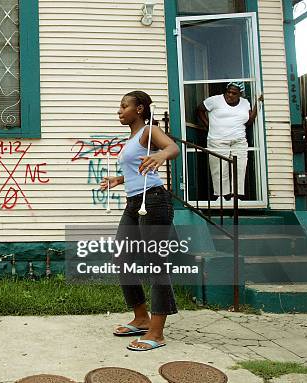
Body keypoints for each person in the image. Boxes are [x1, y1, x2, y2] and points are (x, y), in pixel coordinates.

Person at [100, 90, 179, 351]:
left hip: (154, 201)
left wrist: (161, 155)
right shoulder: (132, 138)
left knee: (156, 264)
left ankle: (156, 333)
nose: (119, 111)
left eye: (124, 106)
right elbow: (137, 168)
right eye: (119, 107)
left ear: (140, 109)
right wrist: (118, 180)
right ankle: (142, 317)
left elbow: (172, 147)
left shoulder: (148, 131)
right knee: (122, 259)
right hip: (134, 202)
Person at [197, 82, 263, 200]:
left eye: (234, 93)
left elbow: (249, 121)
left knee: (240, 168)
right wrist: (208, 125)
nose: (230, 95)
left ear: (240, 94)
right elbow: (200, 109)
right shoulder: (215, 100)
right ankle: (220, 197)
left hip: (239, 140)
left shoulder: (245, 103)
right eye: (228, 92)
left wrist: (258, 104)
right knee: (219, 169)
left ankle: (236, 197)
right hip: (217, 140)